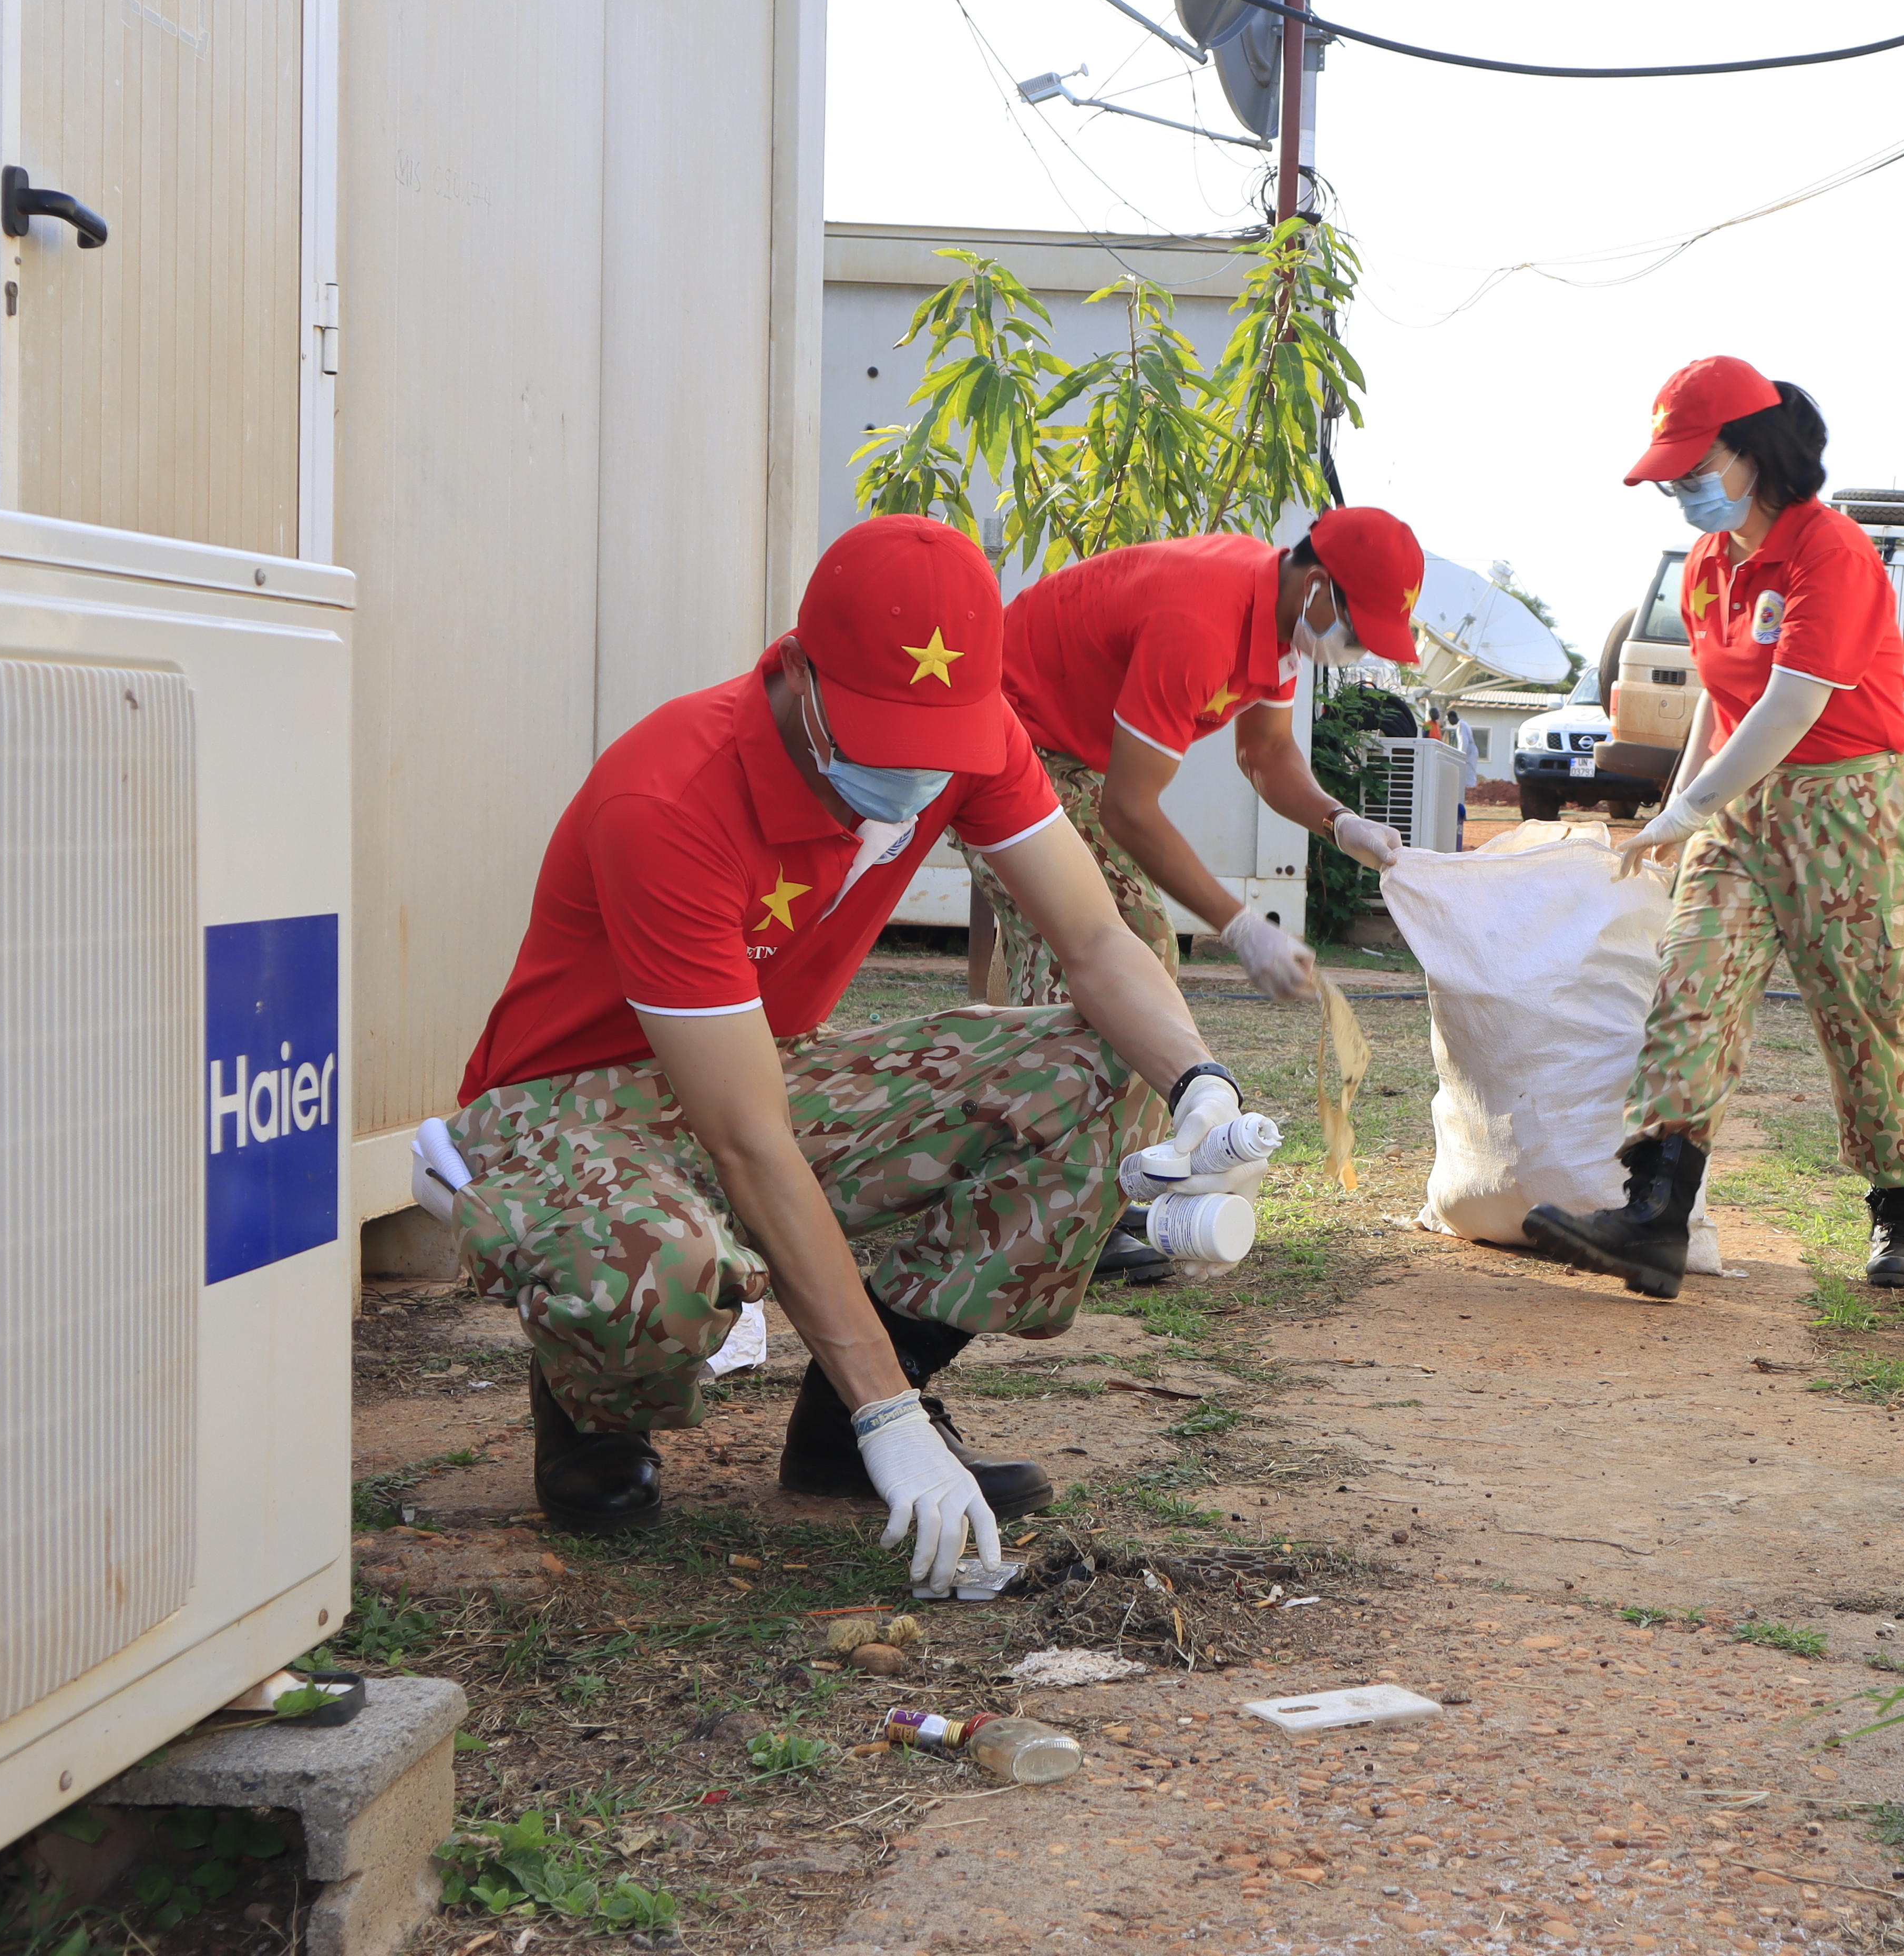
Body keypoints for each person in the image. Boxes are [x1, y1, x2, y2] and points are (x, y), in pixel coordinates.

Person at [423, 513, 1278, 1595]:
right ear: (803, 676)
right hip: (571, 1107)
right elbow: (746, 1140)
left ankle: (832, 1434)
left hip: (760, 1069)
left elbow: (1098, 941)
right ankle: (593, 1405)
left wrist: (1201, 1086)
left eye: (946, 743)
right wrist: (897, 1417)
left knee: (1097, 1063)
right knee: (648, 1272)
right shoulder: (672, 795)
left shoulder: (971, 739)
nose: (922, 770)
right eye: (888, 735)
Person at [1523, 358, 1904, 1299]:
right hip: (1737, 808)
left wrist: (1690, 804)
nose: (1679, 488)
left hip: (1849, 804)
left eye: (1693, 466)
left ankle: (1900, 1210)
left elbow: (1791, 705)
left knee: (1863, 1011)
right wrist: (1683, 808)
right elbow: (1725, 699)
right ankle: (1655, 1217)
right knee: (1690, 985)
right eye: (1669, 473)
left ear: (1754, 453)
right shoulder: (1710, 564)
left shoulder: (1830, 553)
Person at [964, 505, 1424, 1279]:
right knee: (1122, 957)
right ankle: (1062, 1214)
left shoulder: (1273, 616)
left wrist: (1341, 822)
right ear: (1317, 586)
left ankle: (1092, 1195)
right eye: (1356, 628)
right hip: (1008, 742)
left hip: (1061, 755)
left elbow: (1269, 754)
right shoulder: (1202, 622)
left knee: (1118, 959)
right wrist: (1243, 929)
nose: (1354, 649)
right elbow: (1129, 811)